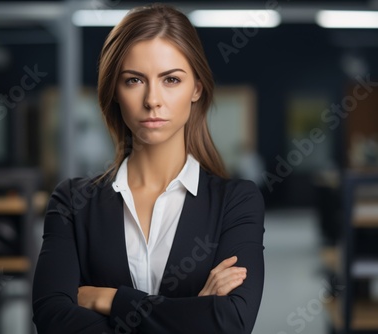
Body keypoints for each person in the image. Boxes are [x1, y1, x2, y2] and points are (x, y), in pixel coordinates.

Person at [32, 3, 265, 333]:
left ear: (196, 88)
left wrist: (110, 301)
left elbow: (231, 322)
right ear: (114, 90)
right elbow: (52, 319)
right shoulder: (72, 201)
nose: (152, 99)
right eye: (134, 80)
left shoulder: (237, 202)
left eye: (171, 79)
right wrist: (193, 312)